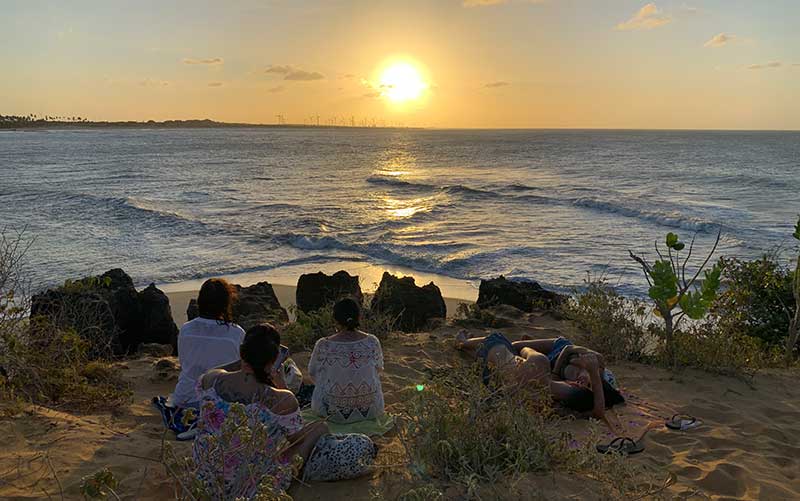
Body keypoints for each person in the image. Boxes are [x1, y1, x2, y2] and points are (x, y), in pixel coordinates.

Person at [194, 324, 376, 496]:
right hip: (250, 488)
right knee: (318, 428)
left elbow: (213, 371)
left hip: (205, 480)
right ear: (273, 361)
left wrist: (245, 360)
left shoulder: (210, 381)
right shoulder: (280, 399)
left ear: (242, 353)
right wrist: (281, 385)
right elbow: (295, 438)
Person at [454, 331, 622, 423]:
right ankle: (468, 345)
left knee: (498, 339)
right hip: (493, 376)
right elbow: (597, 411)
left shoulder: (542, 365)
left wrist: (530, 352)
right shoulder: (552, 398)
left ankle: (462, 342)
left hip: (496, 358)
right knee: (507, 353)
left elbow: (524, 350)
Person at [171, 278, 245, 408]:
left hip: (184, 398)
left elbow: (184, 363)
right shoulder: (236, 333)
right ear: (226, 303)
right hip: (220, 402)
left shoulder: (186, 329)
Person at [308, 298, 385, 423]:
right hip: (371, 410)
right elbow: (379, 369)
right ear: (358, 317)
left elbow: (312, 373)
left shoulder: (324, 344)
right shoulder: (372, 341)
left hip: (333, 414)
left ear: (335, 319)